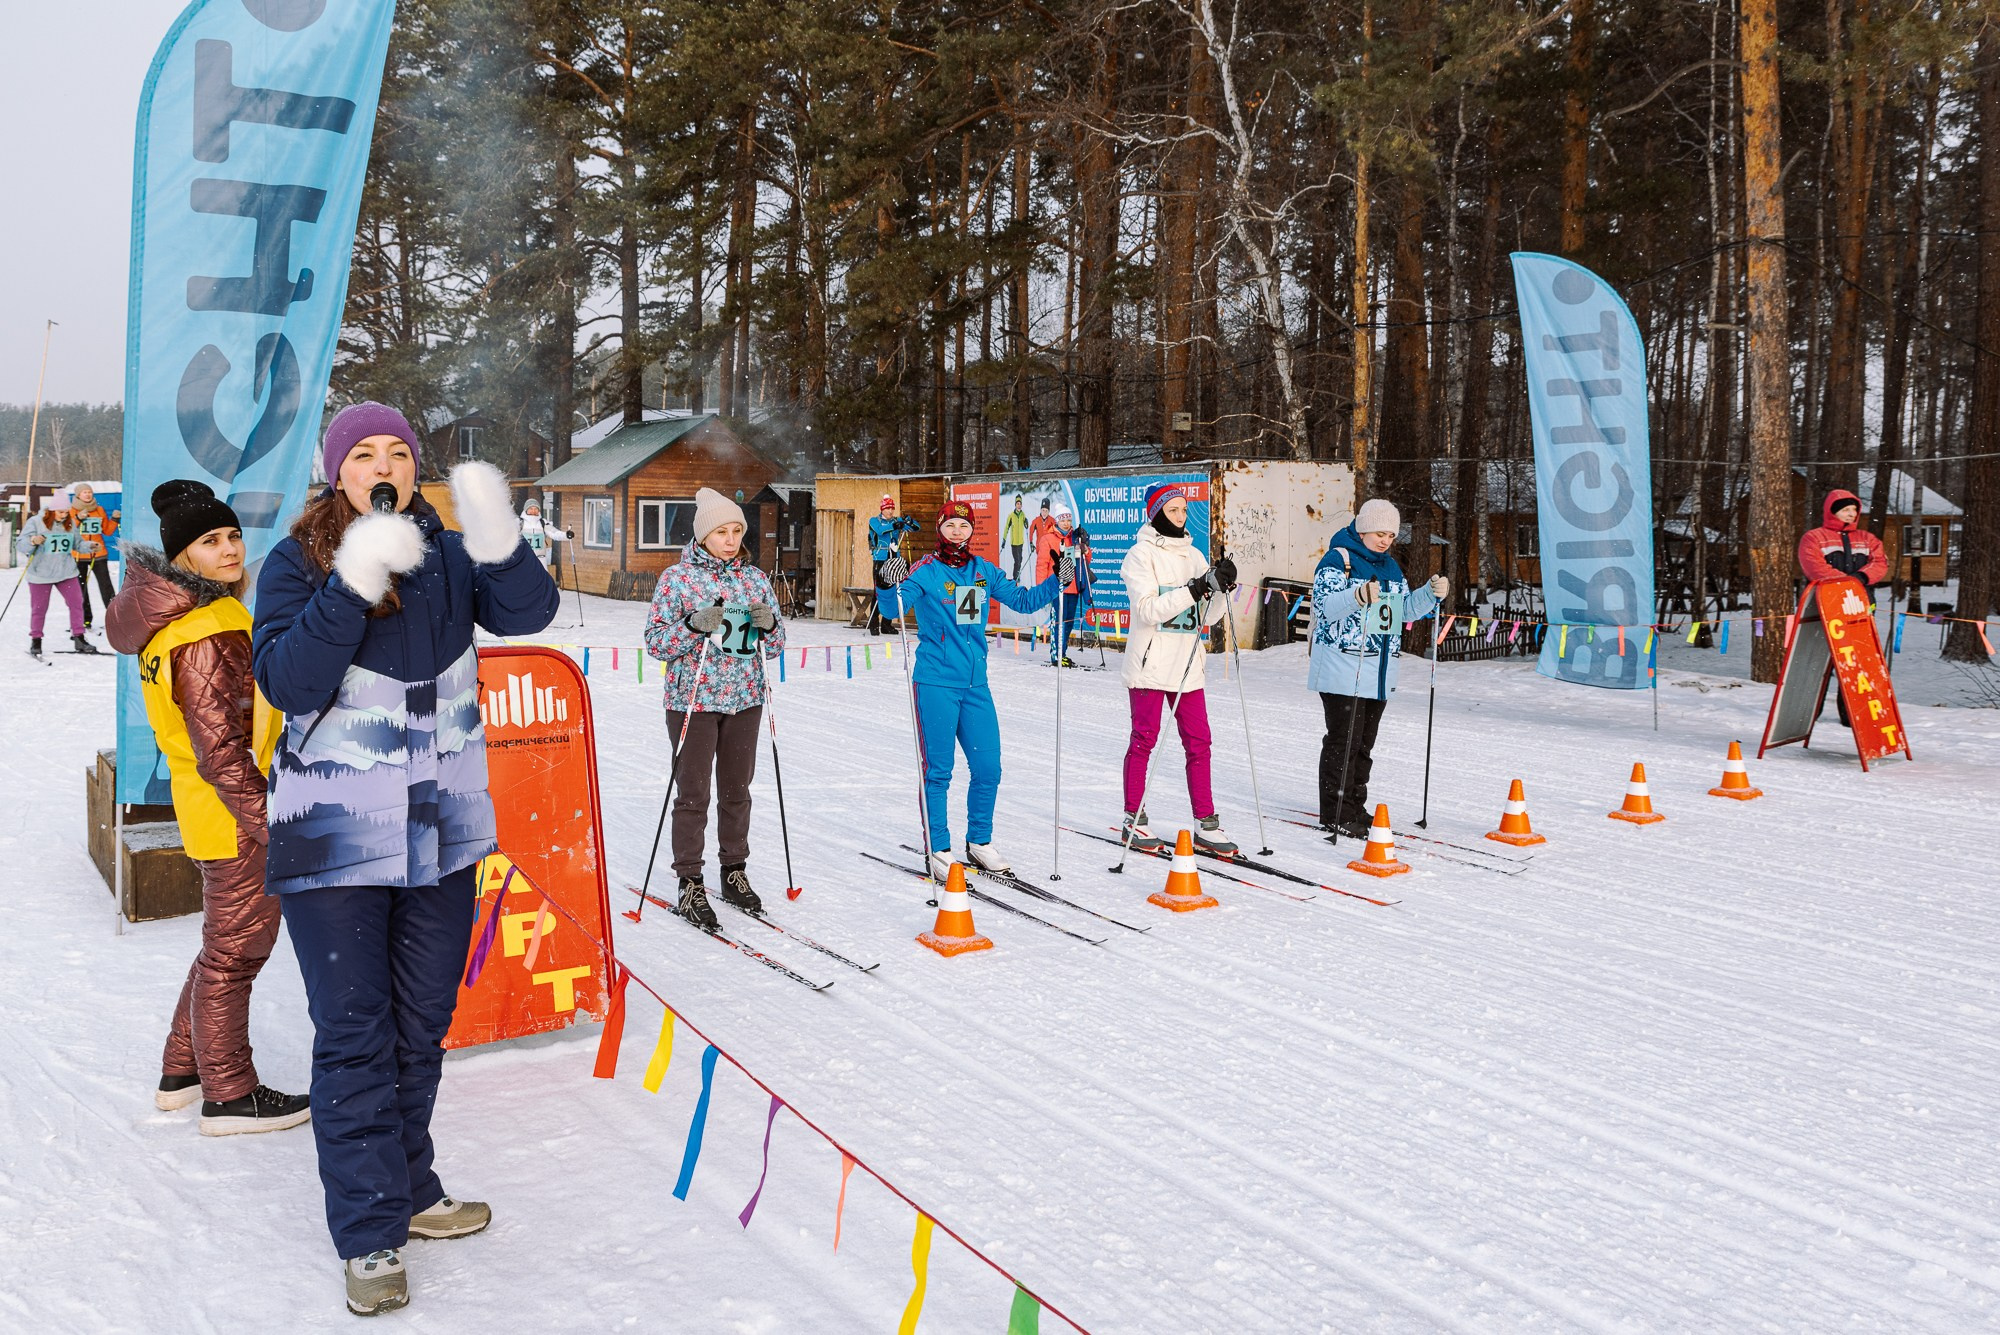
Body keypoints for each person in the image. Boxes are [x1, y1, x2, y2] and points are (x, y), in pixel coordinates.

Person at [251, 402, 560, 1316]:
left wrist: (496, 534)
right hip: (335, 837)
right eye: (363, 454)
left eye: (397, 452)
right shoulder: (294, 561)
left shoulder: (447, 558)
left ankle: (412, 1189)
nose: (380, 464)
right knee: (354, 1033)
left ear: (414, 466)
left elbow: (528, 612)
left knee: (418, 1026)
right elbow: (287, 679)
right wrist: (350, 582)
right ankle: (370, 1230)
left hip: (441, 833)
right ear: (338, 471)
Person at [106, 482, 308, 1137]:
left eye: (230, 536)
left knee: (221, 948)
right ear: (184, 558)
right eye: (209, 542)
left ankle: (183, 1070)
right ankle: (230, 1093)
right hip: (235, 816)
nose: (228, 549)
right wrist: (269, 824)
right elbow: (223, 749)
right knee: (237, 955)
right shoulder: (211, 627)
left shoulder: (171, 626)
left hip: (207, 811)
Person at [876, 499, 1067, 879]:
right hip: (935, 682)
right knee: (939, 772)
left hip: (976, 684)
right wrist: (885, 580)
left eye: (964, 527)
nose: (958, 533)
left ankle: (979, 841)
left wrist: (1056, 581)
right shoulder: (926, 571)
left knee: (988, 768)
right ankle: (939, 847)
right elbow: (893, 610)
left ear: (972, 530)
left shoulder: (984, 571)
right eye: (950, 526)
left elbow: (1024, 601)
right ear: (940, 530)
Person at [643, 487, 787, 931]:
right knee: (693, 792)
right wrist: (691, 624)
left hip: (745, 698)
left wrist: (769, 625)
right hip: (694, 701)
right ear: (703, 535)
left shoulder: (754, 580)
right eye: (721, 531)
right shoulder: (677, 579)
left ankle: (733, 871)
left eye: (736, 531)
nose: (730, 539)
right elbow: (655, 643)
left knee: (737, 789)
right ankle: (689, 879)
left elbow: (778, 645)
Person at [1309, 499, 1446, 841]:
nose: (1385, 540)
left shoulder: (1391, 568)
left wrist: (1429, 595)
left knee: (1363, 745)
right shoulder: (1338, 560)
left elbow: (1403, 613)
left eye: (1390, 535)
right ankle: (1336, 812)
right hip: (1344, 667)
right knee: (1344, 741)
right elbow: (1325, 609)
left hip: (1379, 671)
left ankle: (1355, 805)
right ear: (1363, 528)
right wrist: (1356, 595)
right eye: (1379, 533)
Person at [1118, 484, 1237, 855]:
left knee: (1200, 742)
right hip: (1151, 663)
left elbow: (1209, 616)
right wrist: (1194, 588)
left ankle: (1207, 821)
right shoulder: (1139, 556)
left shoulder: (1195, 555)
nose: (1181, 517)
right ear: (1156, 513)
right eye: (1173, 511)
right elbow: (1148, 611)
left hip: (1187, 665)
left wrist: (1221, 588)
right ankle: (1133, 817)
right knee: (1144, 739)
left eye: (1185, 510)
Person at [1797, 489, 1887, 727]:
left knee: (1856, 659)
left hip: (1860, 604)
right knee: (1819, 659)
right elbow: (1813, 566)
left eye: (1854, 510)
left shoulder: (1867, 539)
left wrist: (1860, 577)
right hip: (1824, 604)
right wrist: (1846, 583)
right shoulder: (1814, 537)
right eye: (1846, 510)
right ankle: (1807, 710)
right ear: (1833, 511)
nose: (1851, 514)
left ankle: (1851, 713)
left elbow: (1880, 563)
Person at [16, 501, 97, 658]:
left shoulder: (69, 522)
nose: (64, 515)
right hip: (41, 574)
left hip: (65, 572)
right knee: (39, 608)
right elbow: (21, 545)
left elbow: (77, 544)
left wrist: (89, 546)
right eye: (60, 512)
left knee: (76, 602)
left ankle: (79, 637)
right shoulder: (35, 522)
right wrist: (33, 540)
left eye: (66, 512)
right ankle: (36, 640)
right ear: (51, 511)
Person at [1045, 509, 1094, 667]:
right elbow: (1041, 565)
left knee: (1068, 623)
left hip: (1073, 587)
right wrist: (1042, 589)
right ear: (1057, 521)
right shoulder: (1048, 538)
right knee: (1058, 622)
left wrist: (1086, 550)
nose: (1066, 523)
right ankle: (1055, 656)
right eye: (1063, 520)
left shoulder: (1075, 537)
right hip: (1056, 588)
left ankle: (1062, 653)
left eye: (1068, 520)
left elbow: (1086, 560)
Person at [70, 482, 120, 632]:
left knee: (106, 588)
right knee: (81, 589)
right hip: (79, 555)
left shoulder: (99, 510)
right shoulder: (72, 511)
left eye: (89, 492)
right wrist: (78, 518)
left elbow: (107, 531)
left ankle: (114, 619)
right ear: (78, 495)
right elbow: (67, 529)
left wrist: (115, 520)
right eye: (84, 492)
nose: (87, 494)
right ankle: (85, 619)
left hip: (98, 554)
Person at [866, 496, 918, 635]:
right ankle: (874, 624)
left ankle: (886, 624)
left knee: (893, 591)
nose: (890, 511)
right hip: (880, 558)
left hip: (894, 559)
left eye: (892, 508)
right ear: (882, 509)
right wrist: (895, 526)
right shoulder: (874, 521)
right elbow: (880, 531)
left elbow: (916, 528)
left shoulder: (896, 520)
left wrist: (909, 521)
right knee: (879, 591)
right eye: (887, 508)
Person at [519, 499, 564, 574]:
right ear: (526, 510)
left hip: (540, 559)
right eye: (531, 509)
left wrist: (566, 535)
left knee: (543, 581)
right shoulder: (520, 523)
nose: (533, 511)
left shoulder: (542, 523)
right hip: (524, 559)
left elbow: (555, 533)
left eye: (536, 509)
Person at [1003, 494, 1029, 581]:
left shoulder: (1023, 515)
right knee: (1017, 561)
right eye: (1017, 503)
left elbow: (1026, 525)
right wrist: (1004, 539)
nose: (1019, 505)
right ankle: (1015, 577)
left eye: (1020, 503)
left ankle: (1017, 575)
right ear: (1015, 504)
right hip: (1014, 543)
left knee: (1020, 560)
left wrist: (1026, 522)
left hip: (1020, 542)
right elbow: (1006, 528)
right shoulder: (1011, 516)